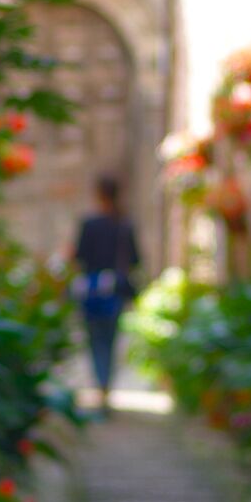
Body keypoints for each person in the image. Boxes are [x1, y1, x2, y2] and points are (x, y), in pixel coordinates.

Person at [69, 175, 142, 415]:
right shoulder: (123, 225)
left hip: (92, 292)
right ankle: (105, 388)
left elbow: (79, 257)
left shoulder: (90, 224)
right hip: (114, 292)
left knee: (95, 341)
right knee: (109, 342)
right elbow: (135, 260)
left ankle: (101, 386)